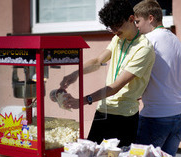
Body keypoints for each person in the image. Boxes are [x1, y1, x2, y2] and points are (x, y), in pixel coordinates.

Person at [60, 0, 155, 147]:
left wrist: (83, 101)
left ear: (131, 19)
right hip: (104, 110)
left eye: (118, 28)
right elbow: (98, 60)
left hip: (124, 116)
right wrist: (75, 73)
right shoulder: (117, 39)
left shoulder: (144, 48)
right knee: (90, 156)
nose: (116, 33)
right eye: (112, 29)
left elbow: (116, 86)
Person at [133, 0, 181, 156]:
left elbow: (135, 75)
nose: (136, 26)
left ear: (150, 18)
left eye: (138, 21)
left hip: (157, 115)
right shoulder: (178, 41)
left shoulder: (148, 41)